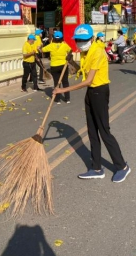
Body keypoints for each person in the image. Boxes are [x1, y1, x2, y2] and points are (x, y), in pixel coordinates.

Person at [53, 24, 130, 183]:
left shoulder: (97, 51)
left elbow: (88, 81)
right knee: (92, 132)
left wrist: (63, 90)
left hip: (99, 92)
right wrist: (70, 62)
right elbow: (81, 72)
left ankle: (122, 166)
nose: (80, 43)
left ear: (92, 39)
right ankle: (96, 168)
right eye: (78, 40)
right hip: (91, 94)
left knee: (104, 131)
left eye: (83, 40)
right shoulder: (84, 52)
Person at [40, 31, 72, 104]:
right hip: (63, 65)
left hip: (54, 66)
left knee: (56, 83)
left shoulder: (51, 45)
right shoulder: (64, 45)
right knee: (65, 82)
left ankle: (57, 100)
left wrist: (40, 47)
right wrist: (68, 56)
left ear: (54, 38)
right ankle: (67, 99)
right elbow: (70, 50)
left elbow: (42, 50)